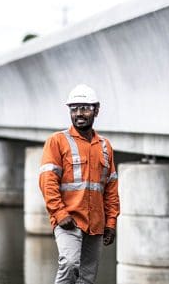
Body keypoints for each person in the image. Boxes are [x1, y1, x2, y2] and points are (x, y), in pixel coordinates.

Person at [39, 84, 119, 284]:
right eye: (74, 109)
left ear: (96, 110)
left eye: (85, 108)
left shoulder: (105, 147)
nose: (79, 113)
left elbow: (110, 189)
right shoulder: (57, 141)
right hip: (69, 219)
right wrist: (59, 213)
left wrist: (110, 223)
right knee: (69, 263)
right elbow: (47, 181)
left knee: (87, 277)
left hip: (96, 223)